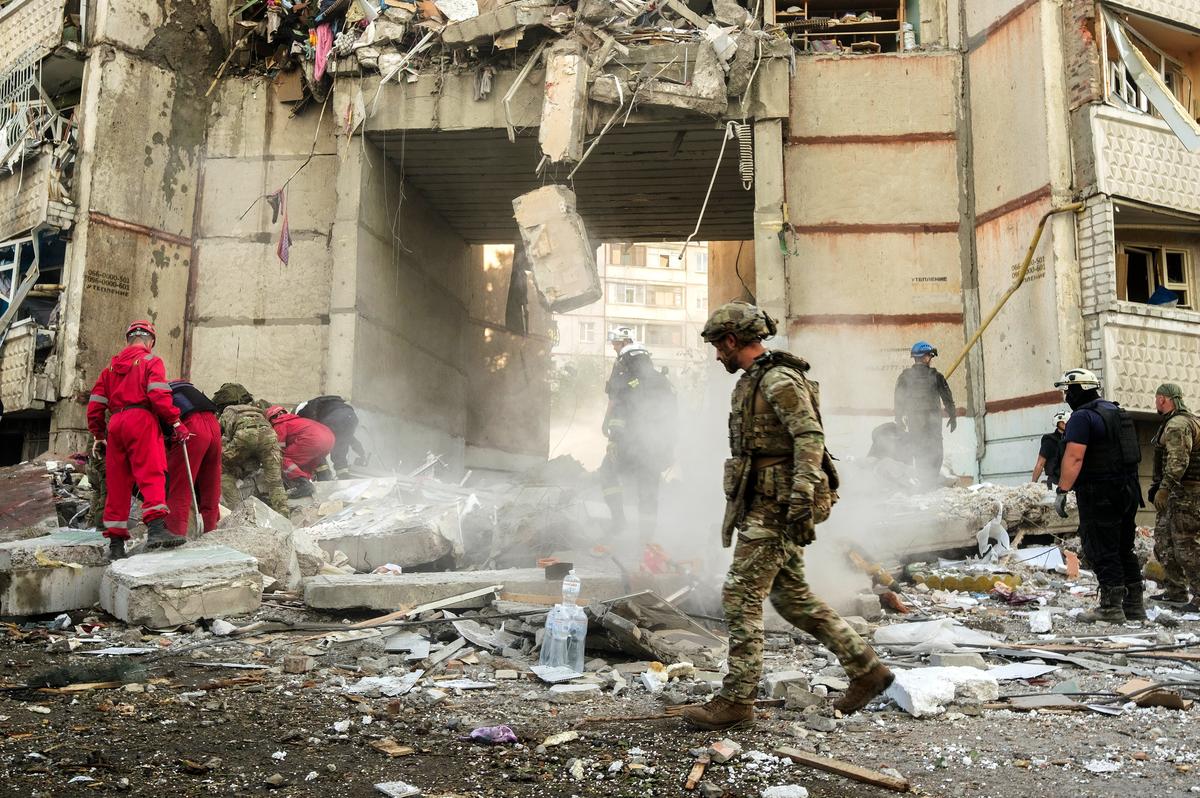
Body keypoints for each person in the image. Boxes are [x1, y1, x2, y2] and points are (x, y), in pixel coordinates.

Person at [679, 301, 893, 731]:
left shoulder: (778, 380)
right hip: (764, 501)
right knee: (791, 597)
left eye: (718, 346)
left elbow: (809, 436)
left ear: (733, 340)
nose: (717, 354)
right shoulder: (751, 382)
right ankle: (866, 669)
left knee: (740, 595)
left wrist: (799, 498)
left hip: (777, 506)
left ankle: (737, 699)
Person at [86, 321, 190, 559]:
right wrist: (176, 422)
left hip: (116, 424)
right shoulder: (151, 361)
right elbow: (158, 395)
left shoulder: (109, 370)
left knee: (118, 484)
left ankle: (115, 546)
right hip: (141, 420)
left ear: (128, 339)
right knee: (151, 473)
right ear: (150, 341)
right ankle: (156, 531)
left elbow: (95, 406)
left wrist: (98, 434)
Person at [1053, 368, 1143, 623]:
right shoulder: (1117, 411)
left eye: (1068, 391)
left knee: (1102, 548)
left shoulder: (1082, 417)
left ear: (1079, 390)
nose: (1066, 396)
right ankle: (1134, 606)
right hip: (1128, 491)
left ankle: (1111, 607)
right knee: (1125, 547)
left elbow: (1075, 456)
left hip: (1100, 492)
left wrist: (1062, 490)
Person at [599, 327, 676, 540]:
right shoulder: (661, 380)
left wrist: (612, 437)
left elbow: (618, 409)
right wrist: (669, 450)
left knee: (606, 473)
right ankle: (647, 541)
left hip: (629, 444)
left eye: (616, 343)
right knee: (648, 492)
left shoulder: (625, 375)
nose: (614, 348)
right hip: (656, 447)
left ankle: (619, 522)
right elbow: (673, 417)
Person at [1147, 383, 1200, 610]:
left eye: (1157, 398)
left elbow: (1179, 461)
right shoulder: (1178, 421)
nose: (1156, 402)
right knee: (1164, 542)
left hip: (1185, 495)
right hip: (1176, 495)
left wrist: (1164, 487)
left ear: (1162, 399)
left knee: (1186, 547)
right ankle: (1175, 591)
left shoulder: (1178, 424)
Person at [215, 384, 289, 515]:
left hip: (244, 438)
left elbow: (217, 436)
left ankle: (238, 512)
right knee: (275, 481)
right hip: (269, 438)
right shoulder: (256, 411)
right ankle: (284, 515)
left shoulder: (228, 411)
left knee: (222, 472)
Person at [893, 341, 956, 486]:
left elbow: (898, 399)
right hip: (932, 423)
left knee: (919, 450)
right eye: (930, 356)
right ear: (925, 357)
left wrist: (899, 419)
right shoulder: (936, 376)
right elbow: (947, 397)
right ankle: (931, 482)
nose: (931, 359)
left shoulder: (904, 377)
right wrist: (952, 416)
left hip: (914, 422)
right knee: (935, 452)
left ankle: (923, 482)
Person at [165, 380, 223, 537]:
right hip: (214, 424)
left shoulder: (157, 395)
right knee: (211, 483)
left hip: (190, 427)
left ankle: (174, 533)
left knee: (179, 485)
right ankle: (210, 532)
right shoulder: (183, 389)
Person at [265, 405, 336, 498]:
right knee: (307, 462)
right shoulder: (298, 420)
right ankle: (318, 481)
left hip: (312, 440)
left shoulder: (279, 423)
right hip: (329, 438)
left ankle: (304, 485)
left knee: (282, 460)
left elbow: (279, 448)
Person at [297, 395, 365, 478]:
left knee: (318, 446)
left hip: (333, 419)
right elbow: (347, 437)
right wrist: (361, 452)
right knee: (340, 447)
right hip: (351, 416)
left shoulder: (306, 411)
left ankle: (324, 475)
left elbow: (313, 439)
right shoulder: (329, 405)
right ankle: (343, 475)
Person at [1031, 410, 1070, 486]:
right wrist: (1033, 485)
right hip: (1055, 482)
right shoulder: (1049, 440)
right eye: (1069, 422)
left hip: (1071, 482)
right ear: (1062, 423)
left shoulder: (1071, 439)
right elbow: (1040, 463)